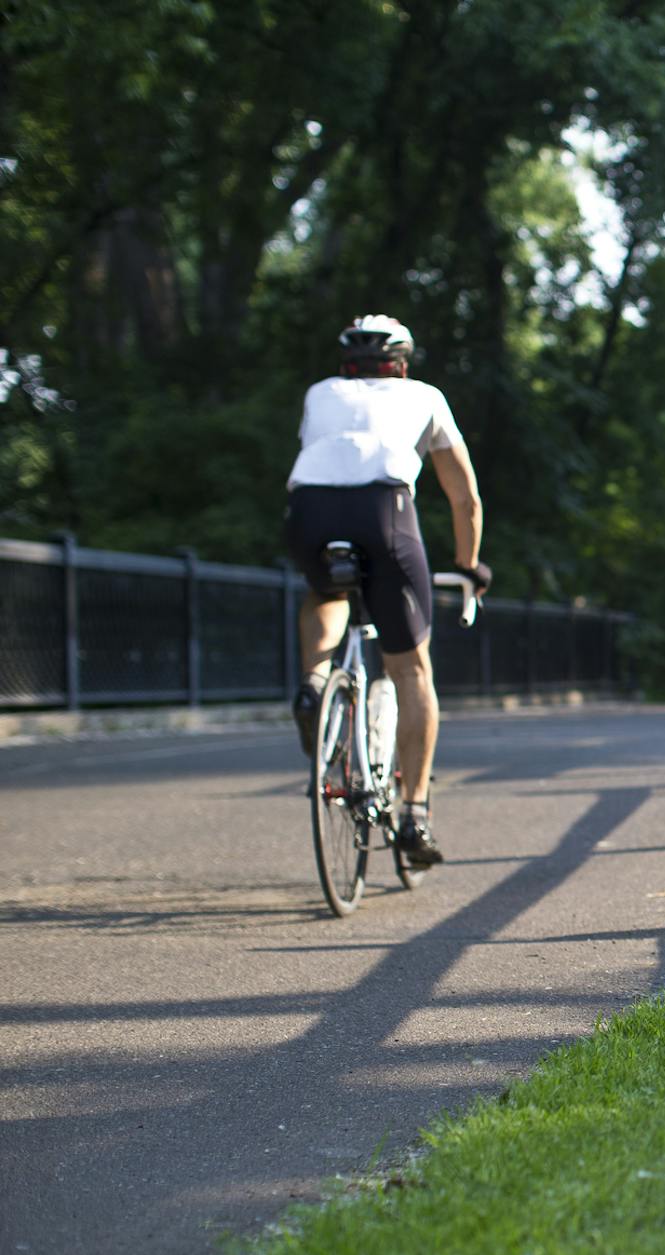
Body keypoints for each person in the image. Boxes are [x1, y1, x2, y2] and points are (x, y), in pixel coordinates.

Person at [285, 315, 489, 866]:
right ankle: (414, 816)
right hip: (385, 512)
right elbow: (463, 495)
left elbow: (327, 460)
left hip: (309, 510)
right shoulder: (424, 395)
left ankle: (314, 682)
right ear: (401, 363)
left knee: (327, 593)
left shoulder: (320, 393)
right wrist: (469, 566)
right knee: (411, 671)